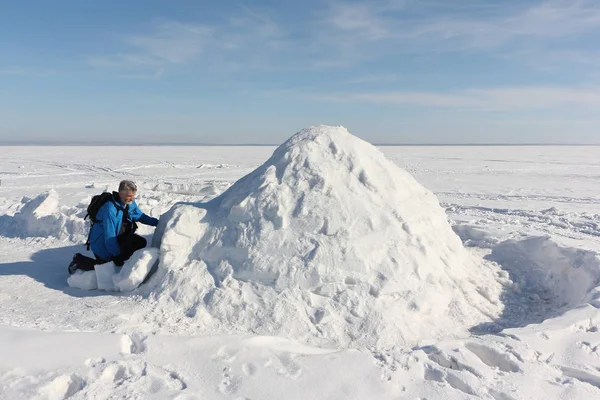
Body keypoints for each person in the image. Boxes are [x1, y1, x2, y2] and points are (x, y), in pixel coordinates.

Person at [69, 180, 159, 273]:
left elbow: (140, 216)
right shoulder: (110, 210)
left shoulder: (129, 203)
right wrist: (116, 256)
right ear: (120, 194)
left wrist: (158, 223)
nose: (132, 199)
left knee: (140, 243)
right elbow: (109, 236)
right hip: (103, 244)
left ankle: (122, 260)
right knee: (111, 265)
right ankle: (79, 261)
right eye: (129, 196)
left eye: (133, 195)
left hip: (118, 238)